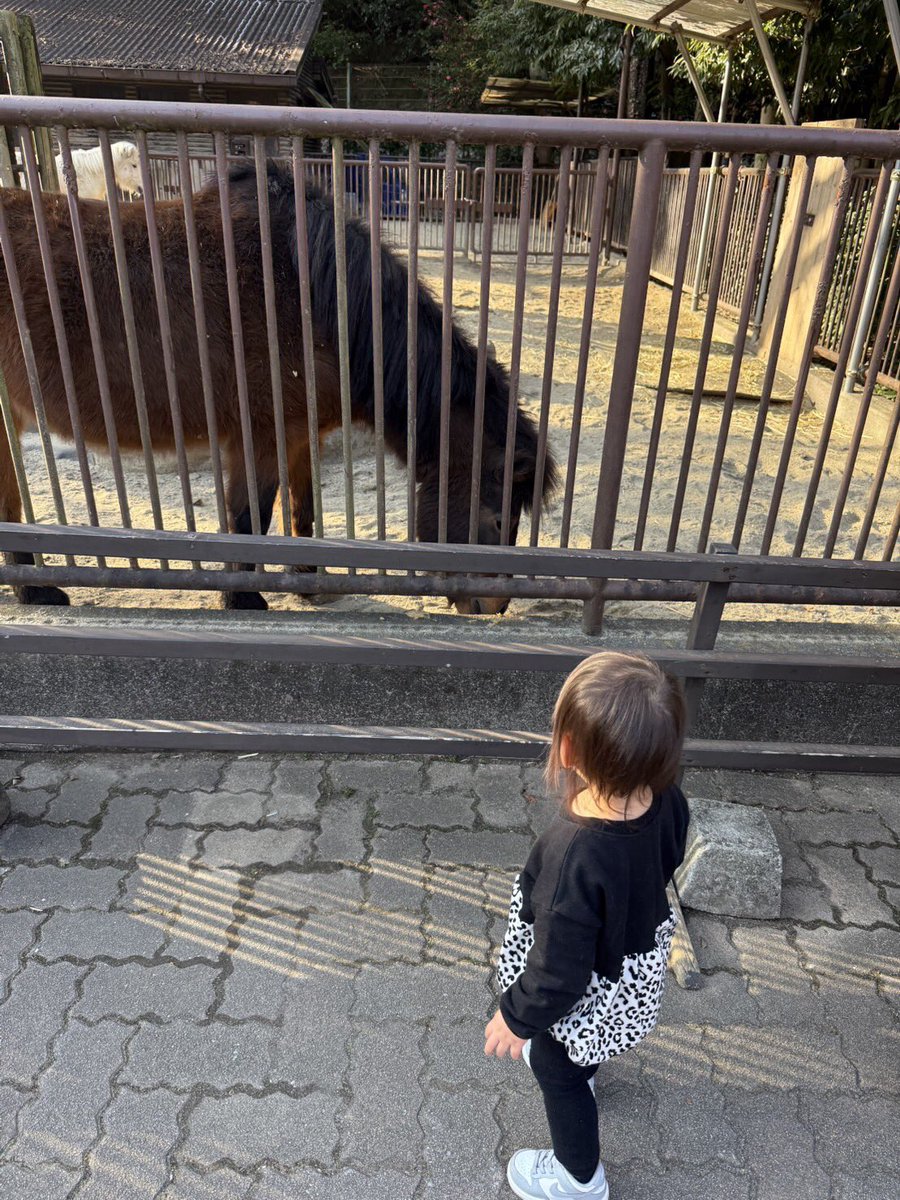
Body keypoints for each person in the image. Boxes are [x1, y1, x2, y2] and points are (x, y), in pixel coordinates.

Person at [484, 651, 690, 1200]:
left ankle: (580, 1179)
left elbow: (557, 975)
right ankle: (588, 1057)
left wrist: (516, 1018)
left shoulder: (572, 855)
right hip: (634, 962)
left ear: (568, 749)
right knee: (582, 1044)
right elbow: (668, 858)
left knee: (557, 1067)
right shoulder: (668, 799)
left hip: (586, 981)